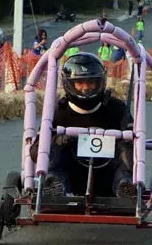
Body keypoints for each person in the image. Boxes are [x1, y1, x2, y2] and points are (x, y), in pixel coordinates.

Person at [37, 52, 135, 198]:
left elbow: (135, 146)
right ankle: (54, 185)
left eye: (91, 82)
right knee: (54, 146)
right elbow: (35, 150)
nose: (86, 88)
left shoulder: (117, 109)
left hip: (109, 176)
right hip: (71, 175)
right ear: (69, 84)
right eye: (80, 83)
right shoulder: (58, 111)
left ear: (100, 82)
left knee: (128, 145)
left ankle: (125, 186)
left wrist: (123, 142)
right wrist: (57, 141)